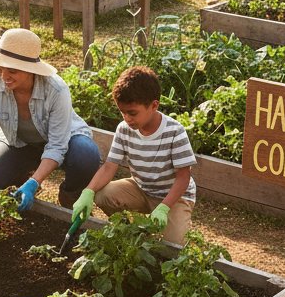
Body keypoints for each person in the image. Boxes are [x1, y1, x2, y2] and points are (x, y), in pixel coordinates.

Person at [0, 28, 101, 212]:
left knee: (86, 155)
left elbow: (57, 146)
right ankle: (22, 181)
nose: (4, 76)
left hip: (66, 142)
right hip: (20, 144)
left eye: (12, 71)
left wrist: (35, 183)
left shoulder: (56, 90)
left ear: (30, 70)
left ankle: (70, 195)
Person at [71, 66, 196, 245]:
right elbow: (109, 166)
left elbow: (183, 178)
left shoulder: (175, 131)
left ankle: (172, 224)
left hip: (174, 197)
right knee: (103, 195)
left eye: (132, 113)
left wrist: (164, 207)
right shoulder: (124, 129)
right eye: (123, 112)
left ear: (154, 105)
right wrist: (88, 191)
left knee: (174, 245)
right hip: (141, 188)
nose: (127, 118)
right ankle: (128, 231)